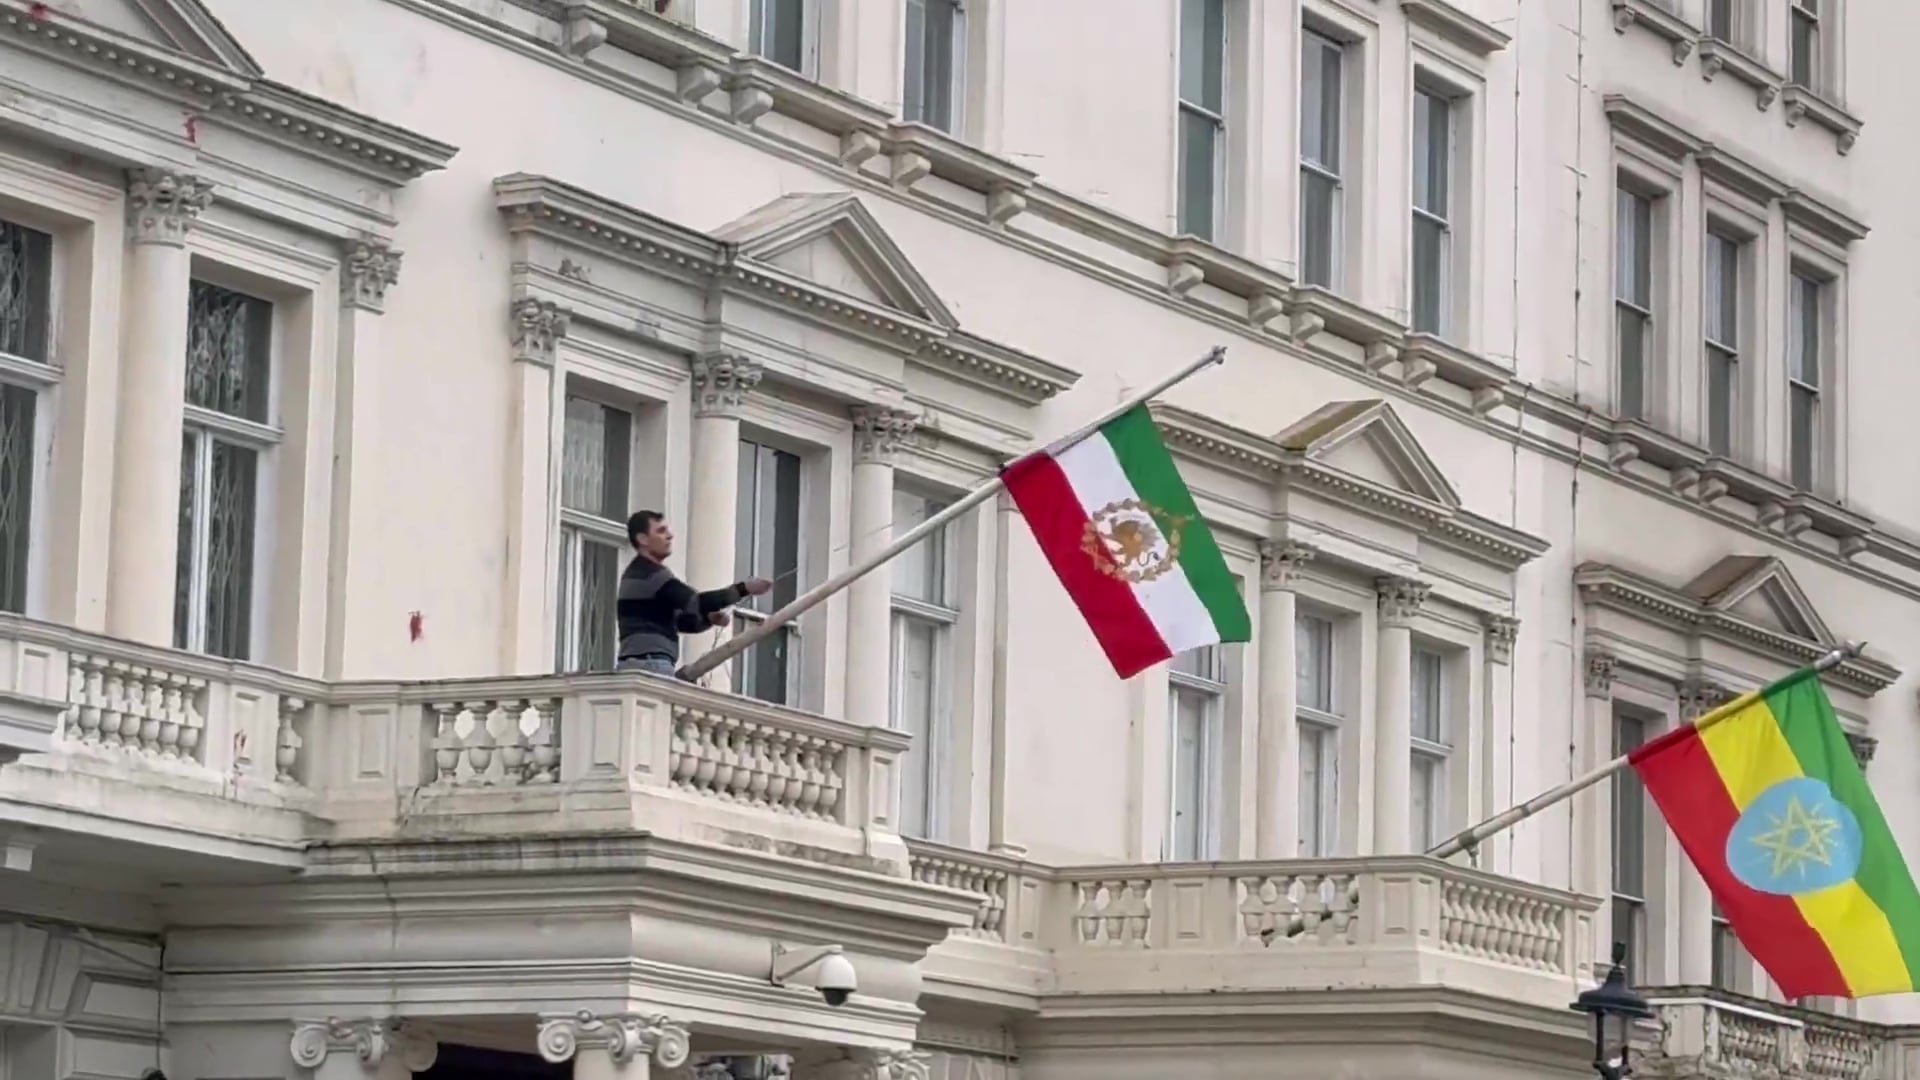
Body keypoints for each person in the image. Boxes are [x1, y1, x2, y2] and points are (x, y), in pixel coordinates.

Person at [616, 510, 772, 677]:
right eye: (661, 531)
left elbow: (678, 622)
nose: (670, 536)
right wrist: (744, 589)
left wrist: (707, 619)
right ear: (643, 539)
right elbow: (696, 601)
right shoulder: (650, 574)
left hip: (636, 662)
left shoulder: (639, 574)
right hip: (650, 662)